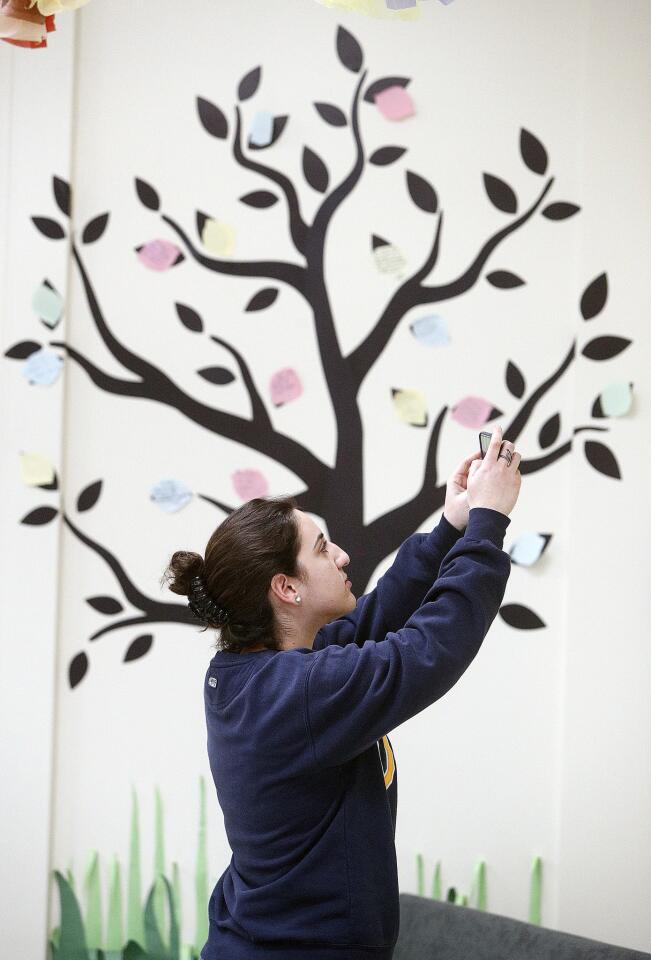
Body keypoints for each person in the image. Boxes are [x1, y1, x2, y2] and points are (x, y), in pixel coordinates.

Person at [161, 424, 521, 960]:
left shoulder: (252, 672)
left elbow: (375, 619)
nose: (344, 556)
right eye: (323, 548)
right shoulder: (296, 693)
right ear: (287, 588)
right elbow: (429, 648)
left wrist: (452, 525)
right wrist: (488, 525)